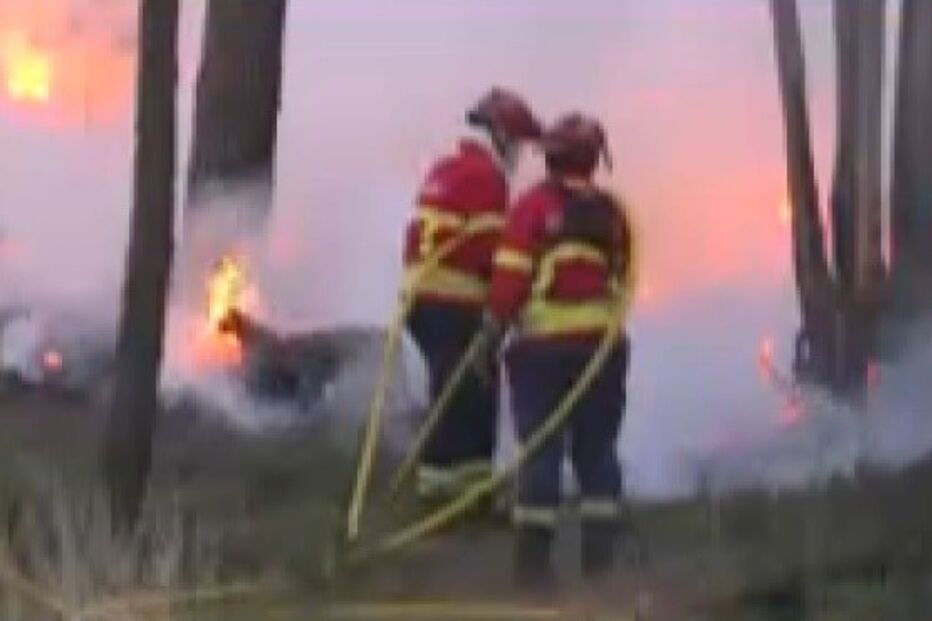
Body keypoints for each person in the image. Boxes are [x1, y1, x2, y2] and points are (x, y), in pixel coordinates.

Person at [486, 112, 636, 587]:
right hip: (603, 351)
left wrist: (489, 334)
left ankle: (533, 567)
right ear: (594, 161)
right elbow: (624, 277)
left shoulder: (533, 207)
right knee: (597, 448)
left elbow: (510, 281)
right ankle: (600, 563)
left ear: (551, 156)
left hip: (542, 350)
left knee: (542, 450)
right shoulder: (614, 214)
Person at [403, 88, 542, 502]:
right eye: (516, 143)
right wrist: (514, 302)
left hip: (423, 299)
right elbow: (491, 252)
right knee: (468, 396)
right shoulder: (487, 178)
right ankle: (454, 496)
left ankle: (454, 488)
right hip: (455, 302)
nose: (518, 154)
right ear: (498, 135)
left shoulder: (448, 167)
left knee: (455, 390)